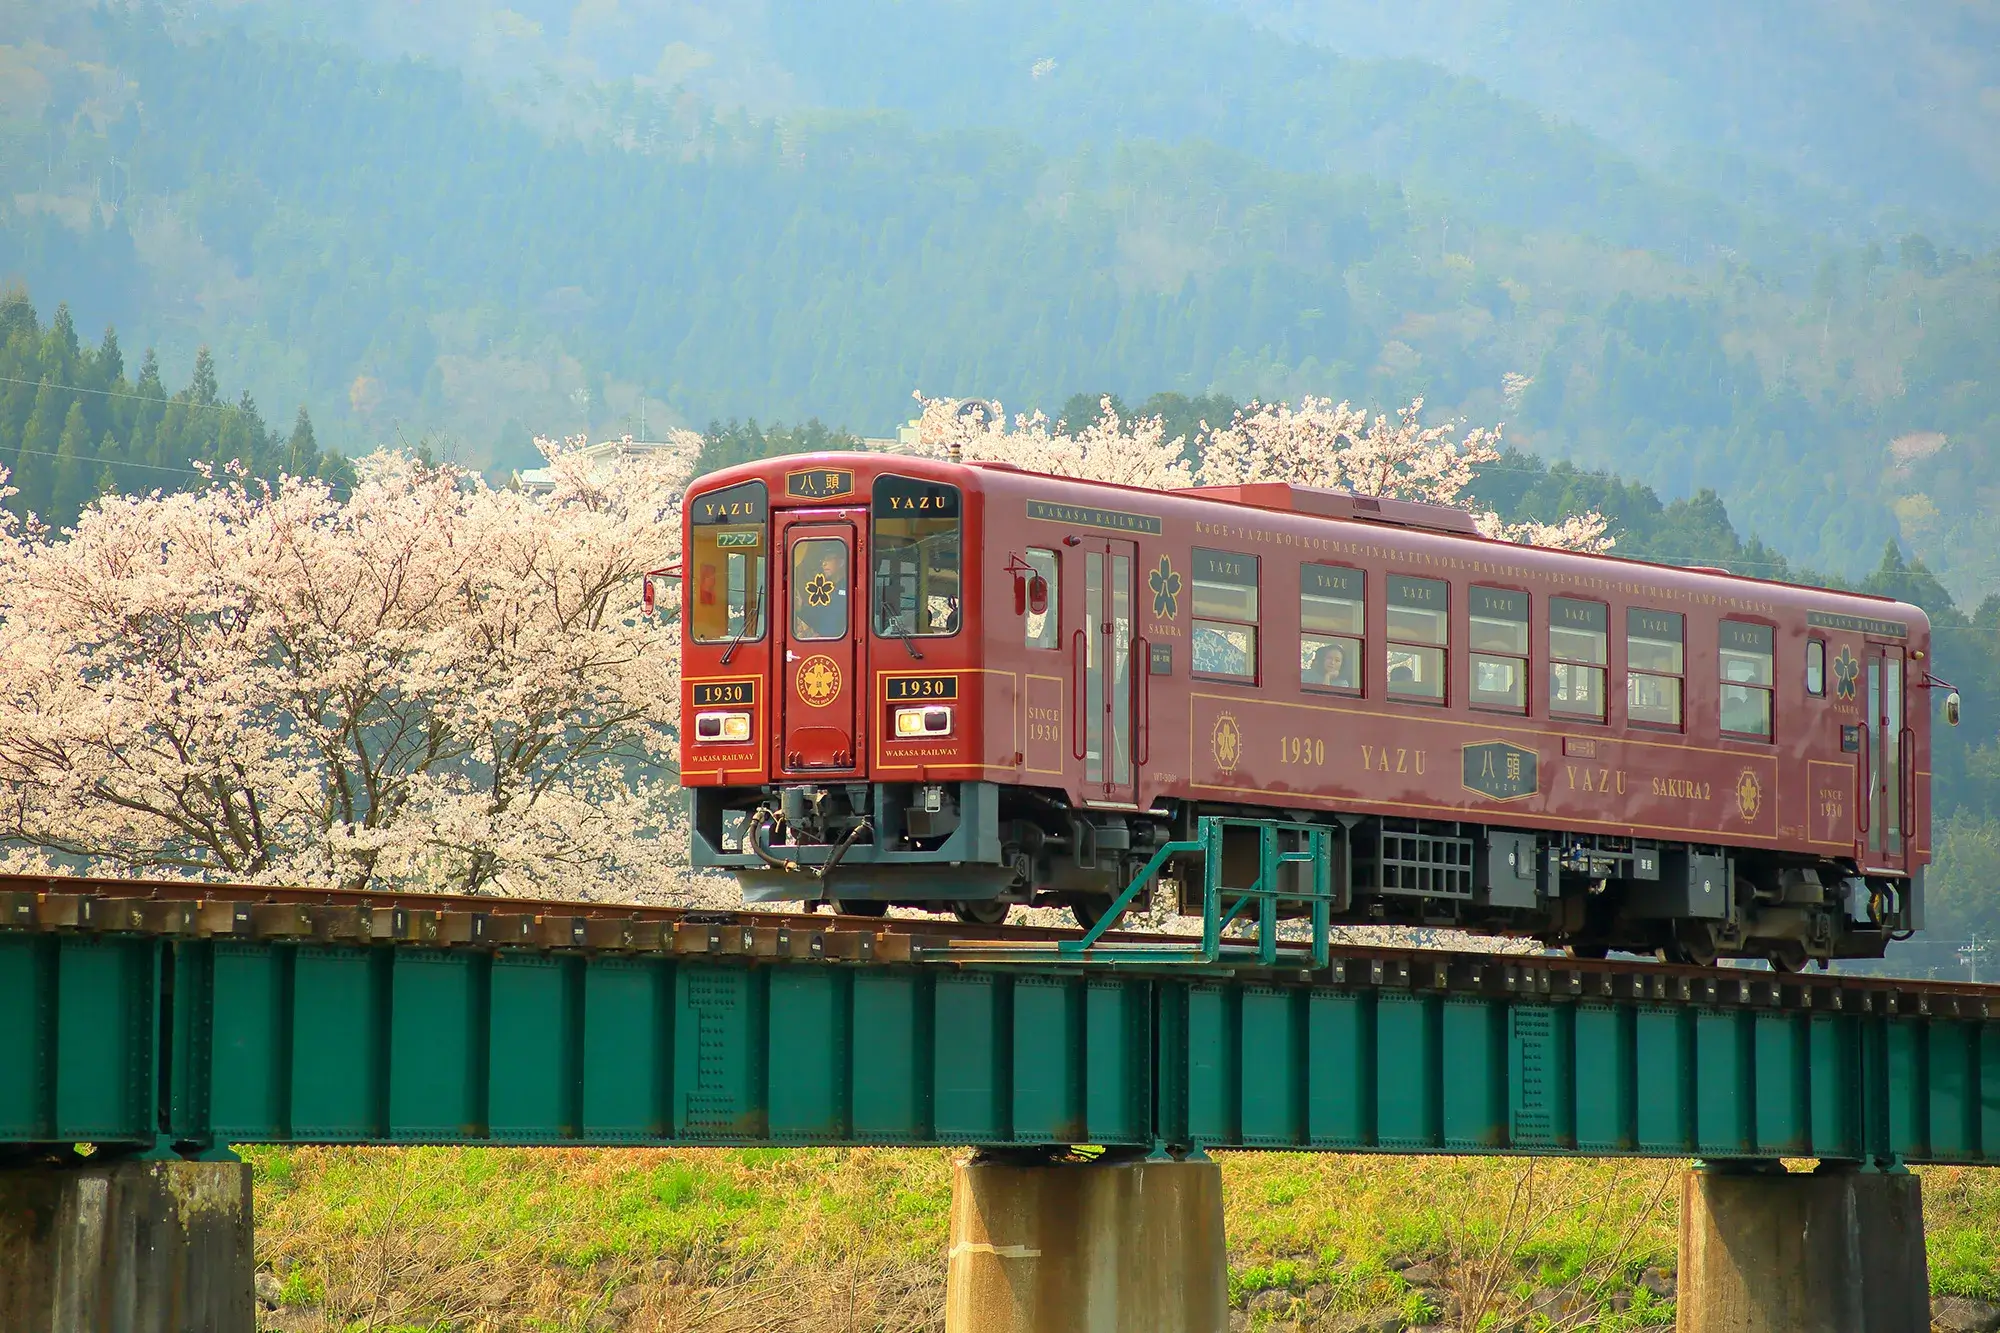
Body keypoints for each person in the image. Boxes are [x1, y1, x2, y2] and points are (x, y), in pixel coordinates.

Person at [794, 547, 848, 639]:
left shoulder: (847, 589)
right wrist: (801, 607)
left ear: (841, 562)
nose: (824, 563)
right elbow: (820, 617)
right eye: (822, 560)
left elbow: (831, 624)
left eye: (829, 559)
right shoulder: (830, 589)